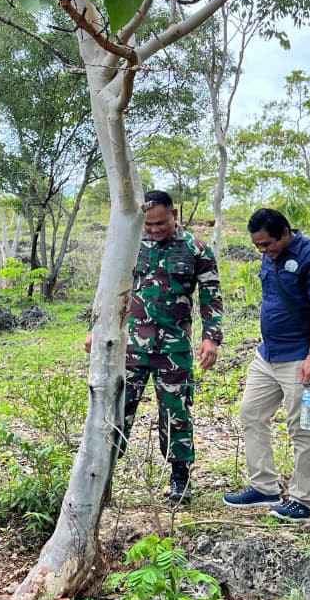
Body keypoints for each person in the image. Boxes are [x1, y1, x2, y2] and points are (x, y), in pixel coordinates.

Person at [90, 190, 223, 502]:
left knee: (177, 412)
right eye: (148, 224)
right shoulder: (130, 245)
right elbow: (108, 289)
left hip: (174, 348)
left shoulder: (196, 249)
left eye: (160, 223)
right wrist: (95, 329)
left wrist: (211, 337)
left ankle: (180, 479)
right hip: (129, 347)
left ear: (173, 214)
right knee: (116, 409)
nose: (153, 229)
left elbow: (211, 296)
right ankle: (102, 478)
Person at [223, 208, 310, 522]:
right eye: (257, 245)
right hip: (268, 355)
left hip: (300, 357)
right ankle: (264, 487)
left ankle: (301, 500)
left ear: (285, 233)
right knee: (251, 413)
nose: (263, 250)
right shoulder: (269, 256)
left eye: (267, 244)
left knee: (303, 427)